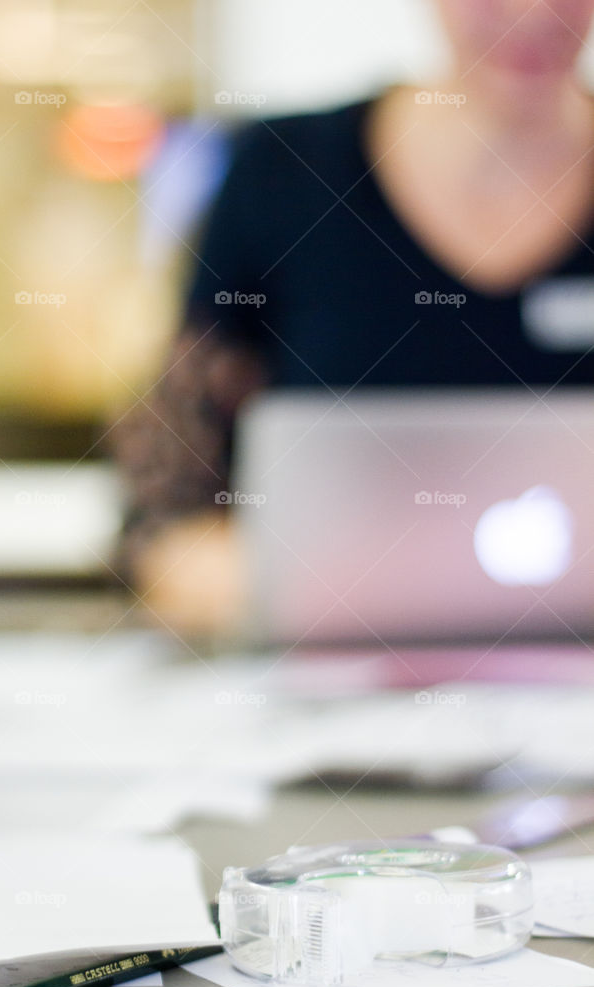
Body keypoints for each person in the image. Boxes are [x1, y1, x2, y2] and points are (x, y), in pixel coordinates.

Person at [112, 0, 594, 634]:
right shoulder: (281, 171)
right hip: (332, 692)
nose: (533, 12)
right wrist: (282, 591)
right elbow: (164, 513)